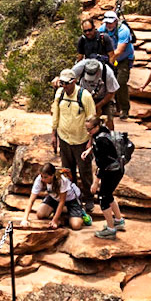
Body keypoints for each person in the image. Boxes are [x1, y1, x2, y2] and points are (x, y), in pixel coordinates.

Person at [51, 67, 96, 201]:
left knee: (85, 171)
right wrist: (54, 134)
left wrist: (90, 142)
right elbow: (55, 115)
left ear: (74, 81)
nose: (64, 86)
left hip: (81, 140)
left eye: (66, 83)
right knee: (67, 171)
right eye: (62, 83)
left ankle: (88, 198)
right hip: (64, 138)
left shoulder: (85, 96)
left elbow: (93, 120)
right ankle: (73, 197)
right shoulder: (60, 94)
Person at [90, 120, 134, 238]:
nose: (88, 132)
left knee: (103, 198)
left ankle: (110, 229)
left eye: (90, 129)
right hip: (119, 168)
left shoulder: (100, 141)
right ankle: (118, 221)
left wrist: (95, 183)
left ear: (96, 126)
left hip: (111, 171)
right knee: (108, 195)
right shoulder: (105, 132)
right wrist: (89, 149)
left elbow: (102, 165)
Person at [24, 158, 87, 228]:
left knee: (76, 225)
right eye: (42, 176)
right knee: (40, 214)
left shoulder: (62, 180)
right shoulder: (39, 179)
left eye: (45, 177)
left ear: (52, 175)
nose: (43, 179)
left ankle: (75, 213)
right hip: (54, 197)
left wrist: (54, 220)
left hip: (71, 199)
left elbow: (62, 201)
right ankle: (63, 213)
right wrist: (25, 219)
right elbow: (31, 200)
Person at [106, 10, 135, 117]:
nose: (108, 25)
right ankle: (116, 108)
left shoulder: (123, 30)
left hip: (124, 59)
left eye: (110, 22)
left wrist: (110, 61)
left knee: (121, 82)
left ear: (116, 21)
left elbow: (120, 50)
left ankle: (125, 109)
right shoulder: (103, 29)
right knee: (110, 82)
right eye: (107, 22)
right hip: (111, 58)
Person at [78, 54, 119, 129]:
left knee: (108, 118)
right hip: (84, 96)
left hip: (103, 97)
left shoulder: (108, 73)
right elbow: (70, 79)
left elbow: (112, 92)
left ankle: (109, 134)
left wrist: (99, 105)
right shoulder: (80, 66)